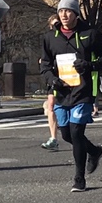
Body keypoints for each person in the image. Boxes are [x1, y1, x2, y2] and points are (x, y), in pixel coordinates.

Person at [39, 0, 102, 192]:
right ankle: (94, 151)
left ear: (75, 14)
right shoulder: (50, 38)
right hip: (62, 92)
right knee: (66, 135)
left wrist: (90, 65)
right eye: (61, 11)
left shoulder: (90, 34)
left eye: (68, 11)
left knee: (76, 132)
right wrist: (52, 79)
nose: (64, 15)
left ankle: (79, 179)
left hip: (83, 91)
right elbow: (45, 65)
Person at [40, 15, 61, 150]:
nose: (56, 27)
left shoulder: (67, 37)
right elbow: (45, 56)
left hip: (68, 76)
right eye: (53, 25)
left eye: (58, 24)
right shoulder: (48, 38)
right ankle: (53, 138)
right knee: (51, 105)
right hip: (53, 76)